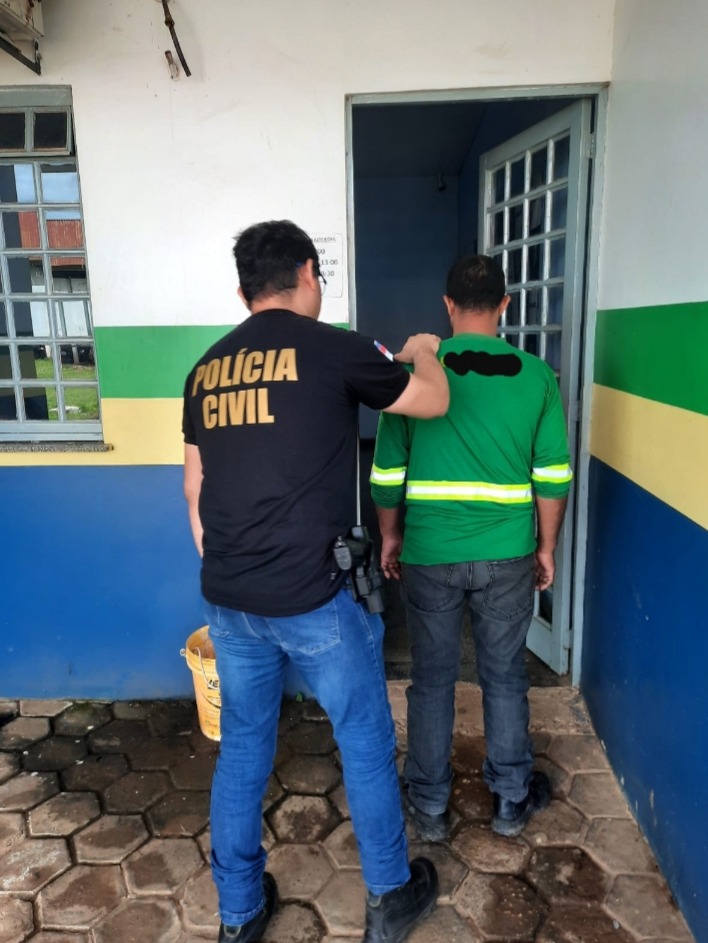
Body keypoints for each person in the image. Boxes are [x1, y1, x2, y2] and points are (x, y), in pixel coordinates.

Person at [182, 220, 447, 943]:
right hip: (317, 599)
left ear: (244, 290)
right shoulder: (336, 348)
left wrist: (236, 569)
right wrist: (424, 349)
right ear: (307, 272)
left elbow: (195, 489)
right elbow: (432, 401)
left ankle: (239, 913)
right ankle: (389, 896)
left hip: (230, 598)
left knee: (243, 747)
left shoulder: (205, 370)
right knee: (362, 738)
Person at [370, 254, 573, 843]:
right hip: (508, 553)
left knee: (432, 679)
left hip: (429, 553)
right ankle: (510, 798)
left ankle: (430, 804)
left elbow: (386, 477)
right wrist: (546, 548)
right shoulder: (537, 377)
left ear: (448, 306)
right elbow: (553, 476)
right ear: (504, 305)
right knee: (504, 676)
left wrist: (391, 536)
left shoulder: (416, 374)